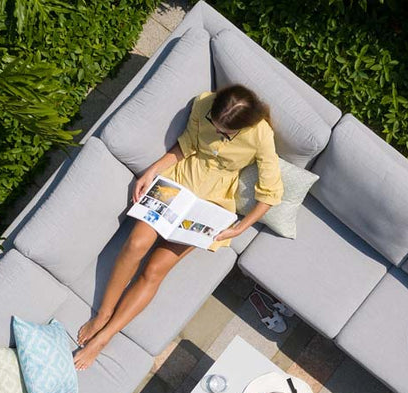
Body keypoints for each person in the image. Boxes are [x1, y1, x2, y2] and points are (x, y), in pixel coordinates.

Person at [73, 84, 284, 369]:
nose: (219, 135)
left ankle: (104, 338)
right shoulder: (203, 104)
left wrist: (240, 228)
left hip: (210, 202)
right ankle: (103, 314)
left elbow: (270, 193)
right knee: (136, 244)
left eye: (226, 134)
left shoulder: (260, 133)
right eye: (215, 126)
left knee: (155, 269)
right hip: (178, 182)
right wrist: (152, 171)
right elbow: (186, 146)